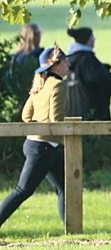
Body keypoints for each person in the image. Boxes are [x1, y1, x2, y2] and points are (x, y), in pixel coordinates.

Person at [0, 47, 69, 229]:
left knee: (66, 187)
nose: (68, 65)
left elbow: (26, 115)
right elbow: (56, 120)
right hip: (43, 147)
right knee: (23, 190)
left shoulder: (40, 83)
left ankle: (71, 229)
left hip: (35, 144)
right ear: (55, 66)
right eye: (64, 62)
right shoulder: (58, 85)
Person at [64, 26, 111, 121]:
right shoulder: (88, 61)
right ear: (87, 40)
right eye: (92, 37)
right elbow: (103, 81)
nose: (94, 39)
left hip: (72, 113)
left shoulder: (68, 62)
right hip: (91, 116)